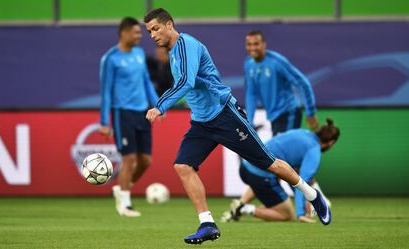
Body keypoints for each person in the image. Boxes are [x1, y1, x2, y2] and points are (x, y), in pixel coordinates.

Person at [143, 8, 331, 245]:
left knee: (269, 163)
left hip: (225, 116)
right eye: (149, 31)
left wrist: (160, 105)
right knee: (182, 165)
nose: (152, 35)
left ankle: (312, 195)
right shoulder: (172, 52)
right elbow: (194, 83)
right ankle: (207, 224)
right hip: (201, 122)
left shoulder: (185, 45)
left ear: (169, 24)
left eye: (155, 28)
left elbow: (186, 82)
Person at [221, 119, 340, 223]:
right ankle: (243, 209)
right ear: (331, 142)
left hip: (245, 167)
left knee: (268, 180)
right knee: (287, 215)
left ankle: (239, 204)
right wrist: (301, 213)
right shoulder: (314, 150)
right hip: (260, 177)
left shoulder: (302, 132)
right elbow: (301, 182)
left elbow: (294, 171)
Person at [99, 17, 159, 217]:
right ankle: (125, 205)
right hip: (122, 112)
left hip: (142, 112)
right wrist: (104, 122)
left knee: (146, 161)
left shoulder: (139, 53)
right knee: (129, 158)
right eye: (136, 32)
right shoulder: (111, 58)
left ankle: (122, 188)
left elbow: (146, 81)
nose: (140, 36)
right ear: (124, 33)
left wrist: (159, 104)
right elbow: (106, 91)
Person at [244, 30, 318, 135]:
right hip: (273, 117)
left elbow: (303, 83)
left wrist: (310, 112)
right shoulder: (248, 64)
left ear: (264, 44)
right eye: (249, 44)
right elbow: (251, 93)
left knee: (282, 150)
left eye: (256, 44)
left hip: (288, 112)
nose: (252, 48)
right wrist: (249, 121)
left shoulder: (277, 62)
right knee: (283, 150)